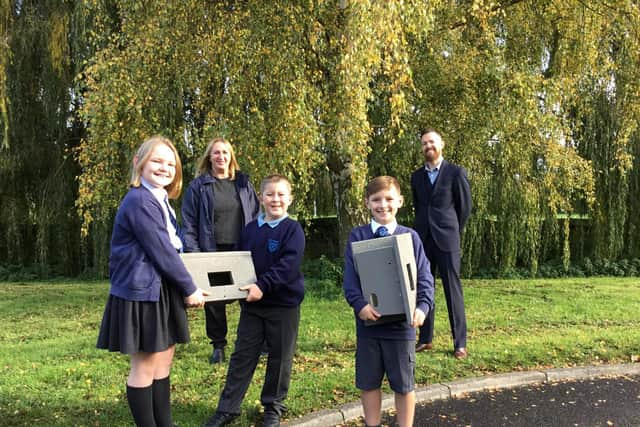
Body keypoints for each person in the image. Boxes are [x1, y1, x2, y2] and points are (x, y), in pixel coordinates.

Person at [96, 135, 206, 427]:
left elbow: (175, 246)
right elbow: (162, 251)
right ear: (139, 163)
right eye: (157, 161)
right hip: (141, 292)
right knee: (145, 365)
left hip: (161, 289)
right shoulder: (139, 200)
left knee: (163, 360)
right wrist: (191, 287)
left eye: (171, 163)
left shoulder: (161, 199)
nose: (164, 168)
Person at [203, 174, 305, 427]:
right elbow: (237, 263)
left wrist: (262, 285)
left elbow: (288, 266)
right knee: (242, 357)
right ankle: (228, 408)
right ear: (260, 198)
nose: (275, 199)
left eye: (281, 194)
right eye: (270, 194)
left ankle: (273, 407)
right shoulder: (250, 230)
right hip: (252, 307)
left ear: (290, 199)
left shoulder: (292, 230)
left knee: (280, 359)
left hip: (283, 306)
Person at [343, 176, 435, 427]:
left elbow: (425, 277)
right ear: (367, 203)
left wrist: (422, 308)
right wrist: (359, 305)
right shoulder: (357, 236)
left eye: (389, 199)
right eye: (376, 200)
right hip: (369, 326)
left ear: (400, 202)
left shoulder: (411, 237)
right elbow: (350, 280)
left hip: (401, 328)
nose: (383, 205)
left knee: (404, 385)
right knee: (369, 382)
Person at [181, 137, 260, 364]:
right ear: (209, 157)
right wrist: (195, 254)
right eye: (216, 153)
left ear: (231, 156)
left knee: (248, 295)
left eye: (225, 152)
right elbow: (189, 223)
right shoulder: (198, 186)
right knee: (214, 302)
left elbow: (255, 215)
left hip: (240, 249)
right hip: (211, 250)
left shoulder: (243, 184)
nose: (221, 157)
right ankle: (218, 346)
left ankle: (253, 341)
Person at [411, 128, 472, 359]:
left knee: (452, 290)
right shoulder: (416, 177)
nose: (429, 146)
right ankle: (425, 339)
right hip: (423, 239)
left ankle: (460, 344)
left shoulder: (456, 173)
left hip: (447, 239)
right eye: (425, 143)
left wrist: (454, 230)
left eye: (432, 142)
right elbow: (419, 206)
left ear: (441, 144)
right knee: (425, 289)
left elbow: (464, 208)